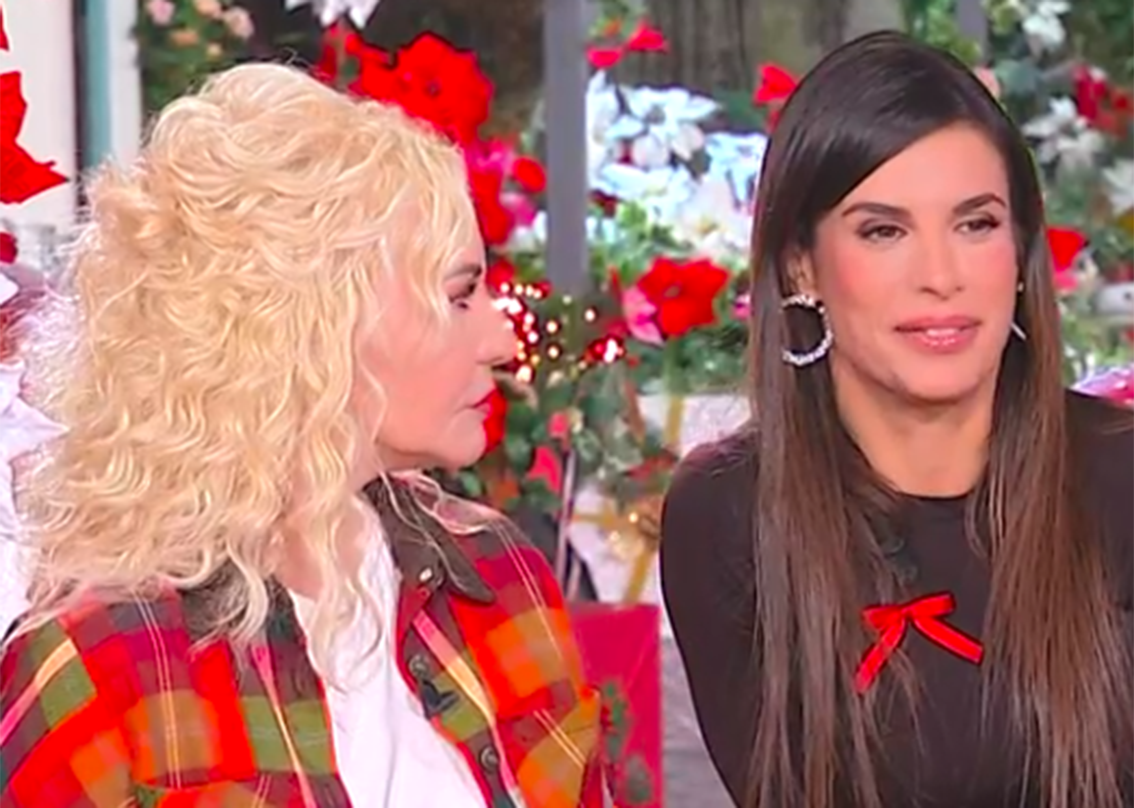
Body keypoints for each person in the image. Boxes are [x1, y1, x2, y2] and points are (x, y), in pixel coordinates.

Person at [0, 63, 604, 808]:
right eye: (460, 295)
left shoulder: (496, 575)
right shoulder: (106, 663)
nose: (502, 341)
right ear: (318, 325)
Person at [660, 30, 1134, 808]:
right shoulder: (729, 515)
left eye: (976, 224)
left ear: (1020, 253)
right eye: (884, 230)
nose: (941, 277)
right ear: (801, 266)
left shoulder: (1118, 476)